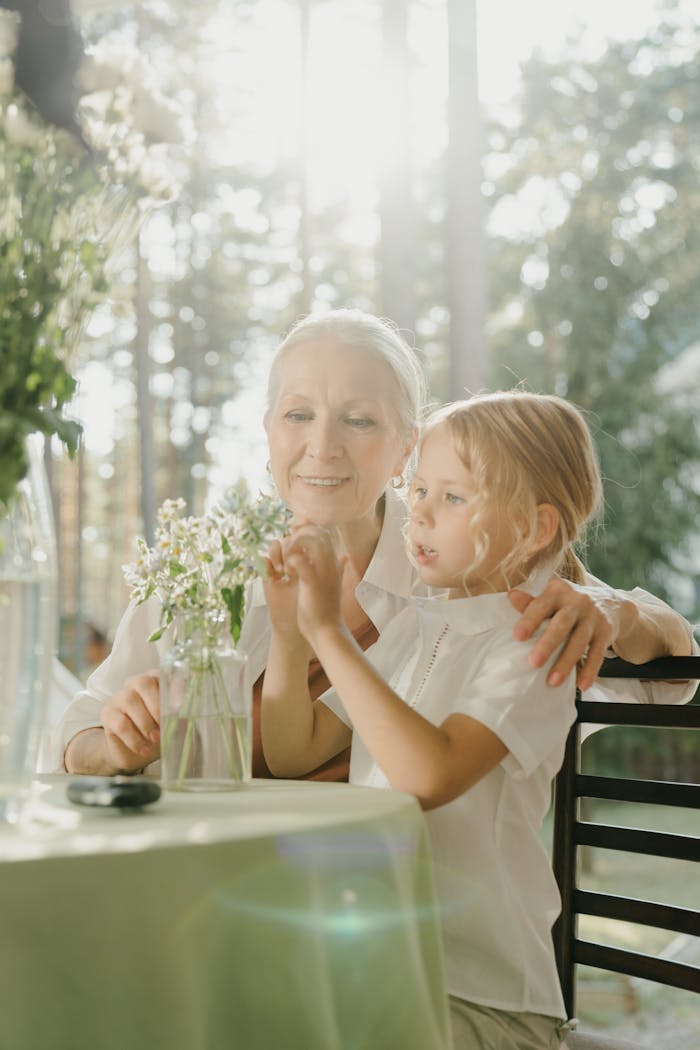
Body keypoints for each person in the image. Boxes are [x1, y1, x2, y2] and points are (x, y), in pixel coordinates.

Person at [56, 310, 697, 776]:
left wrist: (622, 614)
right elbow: (78, 731)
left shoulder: (464, 573)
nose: (323, 446)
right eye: (298, 415)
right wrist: (114, 747)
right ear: (269, 431)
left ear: (407, 449)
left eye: (360, 420)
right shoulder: (207, 569)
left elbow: (671, 674)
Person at [259, 391, 678, 1048]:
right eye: (419, 489)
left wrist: (328, 631)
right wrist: (291, 636)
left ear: (536, 528)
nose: (418, 511)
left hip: (487, 1000)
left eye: (452, 498)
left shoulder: (535, 642)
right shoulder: (411, 630)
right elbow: (295, 751)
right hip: (391, 976)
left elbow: (432, 773)